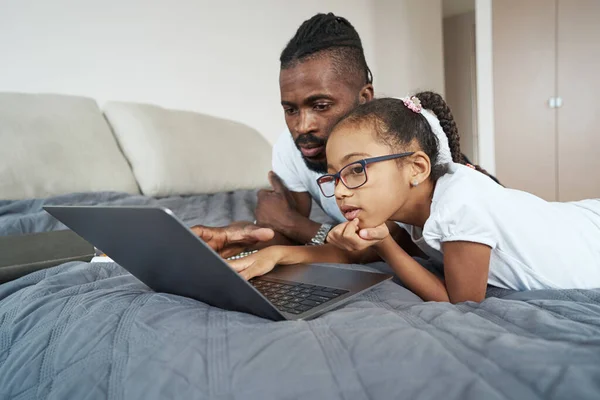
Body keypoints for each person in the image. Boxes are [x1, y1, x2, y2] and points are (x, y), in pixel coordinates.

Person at [228, 93, 600, 303]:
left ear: (417, 168)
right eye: (335, 175)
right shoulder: (409, 205)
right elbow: (357, 252)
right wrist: (277, 254)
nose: (340, 189)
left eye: (356, 169)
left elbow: (460, 301)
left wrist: (388, 245)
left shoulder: (460, 203)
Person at [192, 13, 498, 260]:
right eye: (290, 109)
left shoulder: (409, 135)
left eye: (320, 105)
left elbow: (393, 239)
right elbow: (282, 229)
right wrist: (240, 238)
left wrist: (296, 225)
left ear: (364, 97)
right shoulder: (290, 148)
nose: (302, 126)